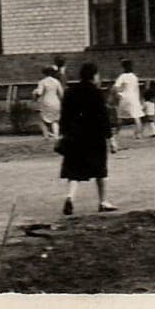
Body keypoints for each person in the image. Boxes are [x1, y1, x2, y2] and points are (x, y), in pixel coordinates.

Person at [58, 62, 118, 214]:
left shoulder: (70, 92)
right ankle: (103, 202)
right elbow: (103, 118)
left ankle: (70, 197)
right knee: (100, 170)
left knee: (74, 170)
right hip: (94, 137)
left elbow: (64, 116)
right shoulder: (96, 93)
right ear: (94, 76)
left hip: (74, 137)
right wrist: (111, 139)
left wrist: (63, 134)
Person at [112, 59, 145, 141]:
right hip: (134, 98)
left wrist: (118, 94)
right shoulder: (134, 77)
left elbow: (115, 88)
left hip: (125, 98)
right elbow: (137, 89)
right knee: (136, 117)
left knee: (120, 117)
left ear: (123, 67)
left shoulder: (122, 76)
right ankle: (138, 134)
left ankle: (116, 131)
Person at [33, 65, 64, 140]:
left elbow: (39, 93)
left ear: (44, 73)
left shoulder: (42, 82)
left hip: (46, 102)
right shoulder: (56, 81)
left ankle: (46, 136)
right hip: (56, 102)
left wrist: (35, 92)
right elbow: (61, 94)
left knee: (43, 120)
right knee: (55, 120)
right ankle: (56, 136)